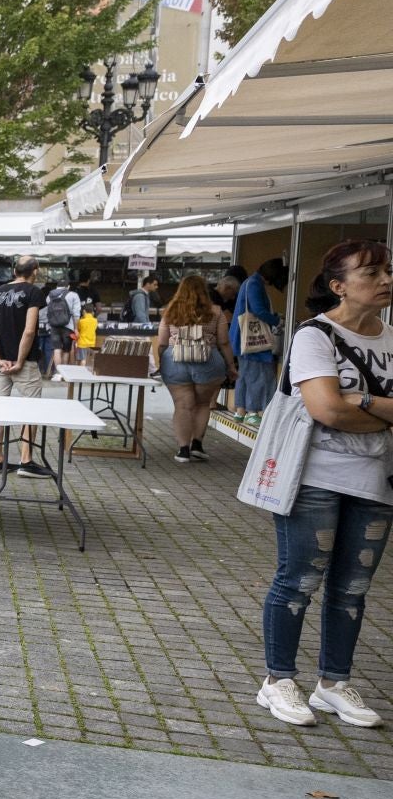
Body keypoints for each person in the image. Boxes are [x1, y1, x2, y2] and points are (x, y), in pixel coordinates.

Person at [254, 239, 391, 731]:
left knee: (352, 588)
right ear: (338, 285)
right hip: (312, 480)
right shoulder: (315, 336)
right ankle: (278, 680)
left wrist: (364, 401)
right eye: (371, 272)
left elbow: (343, 406)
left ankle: (333, 684)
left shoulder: (391, 337)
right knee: (299, 580)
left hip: (376, 481)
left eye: (387, 271)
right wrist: (379, 410)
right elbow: (326, 409)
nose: (385, 280)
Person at [150, 275, 234, 463]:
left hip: (176, 361)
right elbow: (224, 342)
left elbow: (162, 343)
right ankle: (197, 444)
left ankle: (183, 450)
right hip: (209, 361)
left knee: (182, 405)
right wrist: (230, 366)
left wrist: (162, 363)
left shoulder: (170, 311)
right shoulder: (216, 311)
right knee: (203, 404)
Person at [0, 256, 50, 477]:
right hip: (24, 364)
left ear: (14, 271)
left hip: (0, 363)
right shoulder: (33, 292)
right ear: (35, 271)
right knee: (32, 409)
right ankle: (26, 461)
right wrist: (19, 361)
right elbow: (29, 331)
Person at [231, 257, 289, 425]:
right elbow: (258, 310)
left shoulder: (249, 282)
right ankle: (253, 412)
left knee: (245, 375)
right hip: (253, 340)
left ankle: (240, 411)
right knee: (259, 376)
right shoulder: (255, 284)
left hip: (243, 339)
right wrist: (277, 321)